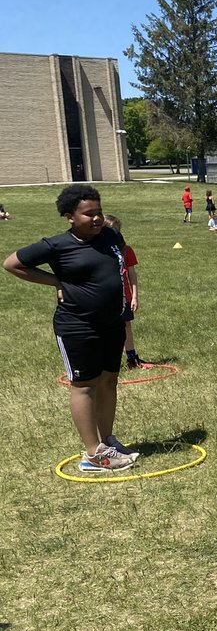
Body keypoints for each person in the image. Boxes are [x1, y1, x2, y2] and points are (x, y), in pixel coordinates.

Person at [3, 185, 138, 470]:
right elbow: (12, 264)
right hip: (78, 325)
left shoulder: (112, 235)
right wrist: (56, 282)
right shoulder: (57, 245)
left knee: (109, 380)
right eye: (89, 214)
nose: (97, 218)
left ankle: (107, 440)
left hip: (113, 323)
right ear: (70, 217)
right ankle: (93, 454)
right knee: (85, 385)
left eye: (99, 212)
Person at [103, 215, 146, 370]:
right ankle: (107, 360)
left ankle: (132, 358)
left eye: (116, 231)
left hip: (125, 298)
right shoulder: (99, 251)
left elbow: (132, 274)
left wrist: (134, 296)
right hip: (106, 299)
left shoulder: (126, 250)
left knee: (126, 325)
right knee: (107, 329)